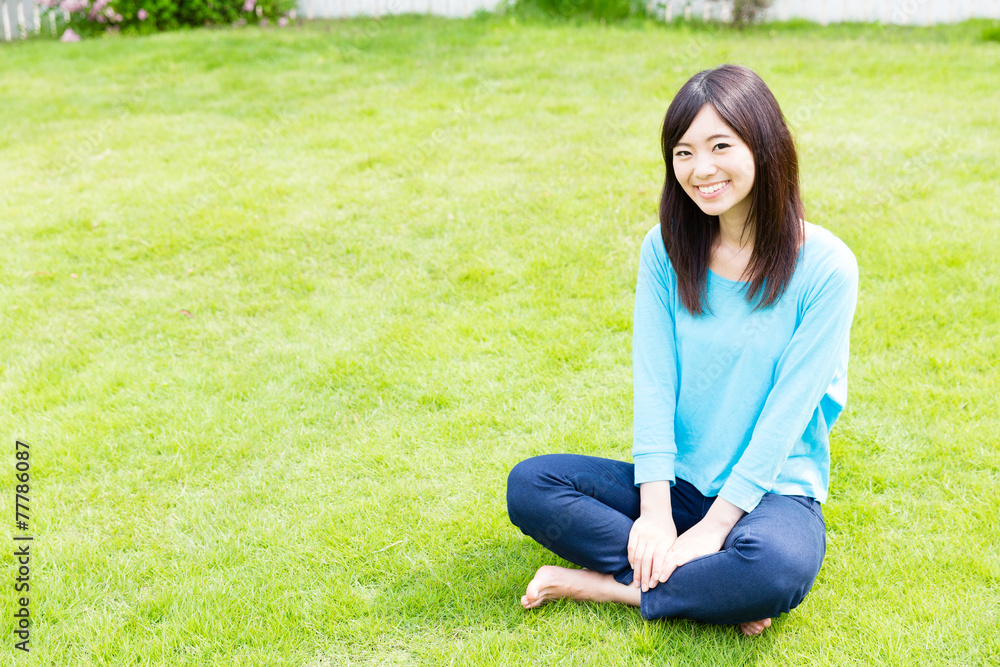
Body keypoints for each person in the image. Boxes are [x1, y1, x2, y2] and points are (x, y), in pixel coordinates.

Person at [506, 64, 858, 637]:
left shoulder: (826, 267)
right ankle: (710, 588)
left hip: (772, 490)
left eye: (721, 146)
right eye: (684, 152)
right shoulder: (665, 249)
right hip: (679, 482)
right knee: (531, 485)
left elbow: (788, 413)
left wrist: (715, 528)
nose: (702, 170)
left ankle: (604, 586)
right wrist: (656, 513)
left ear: (764, 147)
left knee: (774, 569)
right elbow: (655, 381)